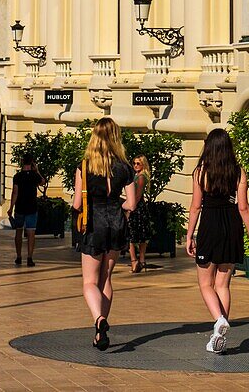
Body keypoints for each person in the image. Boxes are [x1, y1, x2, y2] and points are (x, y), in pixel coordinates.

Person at [186, 128, 249, 354]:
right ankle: (218, 333)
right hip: (231, 227)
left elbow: (195, 207)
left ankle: (219, 320)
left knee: (205, 284)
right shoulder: (239, 172)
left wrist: (190, 235)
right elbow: (243, 207)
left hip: (210, 226)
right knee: (223, 284)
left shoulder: (200, 172)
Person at [72, 117, 137, 350]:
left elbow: (78, 203)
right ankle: (101, 332)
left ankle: (99, 320)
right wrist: (116, 206)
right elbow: (131, 204)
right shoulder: (125, 167)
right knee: (106, 279)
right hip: (116, 222)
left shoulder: (85, 165)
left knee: (89, 281)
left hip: (93, 224)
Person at [9, 153, 44, 267]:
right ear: (32, 162)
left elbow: (15, 192)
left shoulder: (17, 176)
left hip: (20, 207)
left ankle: (19, 256)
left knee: (18, 231)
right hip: (32, 207)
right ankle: (30, 257)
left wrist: (11, 207)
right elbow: (43, 182)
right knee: (31, 233)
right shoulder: (34, 176)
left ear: (22, 162)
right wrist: (37, 170)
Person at [127, 155, 152, 273]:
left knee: (133, 235)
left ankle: (136, 261)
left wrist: (130, 208)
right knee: (137, 235)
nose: (136, 165)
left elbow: (137, 195)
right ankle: (139, 261)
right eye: (134, 163)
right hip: (138, 206)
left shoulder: (141, 177)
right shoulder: (136, 176)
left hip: (137, 207)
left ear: (143, 164)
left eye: (138, 163)